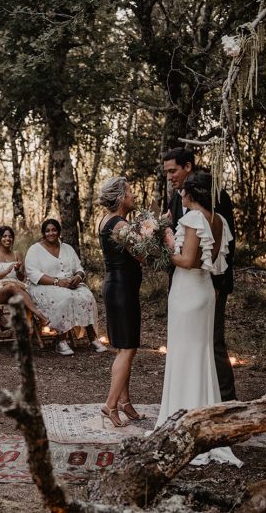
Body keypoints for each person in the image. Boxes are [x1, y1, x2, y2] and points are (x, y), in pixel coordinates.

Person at [157, 172, 241, 466]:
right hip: (206, 292)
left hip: (188, 293)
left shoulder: (193, 218)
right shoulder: (219, 220)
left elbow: (187, 261)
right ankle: (204, 414)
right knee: (201, 355)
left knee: (184, 354)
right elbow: (216, 265)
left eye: (183, 191)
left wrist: (167, 241)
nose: (179, 194)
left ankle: (183, 419)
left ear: (192, 193)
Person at [163, 147, 237, 401]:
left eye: (173, 170)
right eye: (167, 172)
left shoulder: (217, 198)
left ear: (188, 166)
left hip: (209, 282)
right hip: (186, 283)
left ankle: (225, 401)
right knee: (191, 346)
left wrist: (218, 281)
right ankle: (194, 397)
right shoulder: (175, 199)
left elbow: (227, 245)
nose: (170, 177)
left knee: (212, 344)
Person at [97, 178, 143, 427]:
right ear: (120, 197)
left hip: (114, 287)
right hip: (123, 290)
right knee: (127, 349)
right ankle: (111, 404)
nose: (133, 195)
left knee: (124, 347)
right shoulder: (121, 225)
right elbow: (143, 255)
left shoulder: (106, 221)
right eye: (130, 191)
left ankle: (125, 403)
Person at [24, 219, 100, 356]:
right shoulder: (35, 250)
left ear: (59, 231)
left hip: (70, 285)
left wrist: (78, 277)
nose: (51, 233)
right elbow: (32, 273)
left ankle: (93, 337)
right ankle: (61, 341)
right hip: (43, 286)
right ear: (43, 233)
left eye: (54, 230)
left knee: (88, 296)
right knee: (65, 298)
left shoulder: (68, 248)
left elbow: (79, 268)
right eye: (47, 230)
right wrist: (57, 281)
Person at [0, 225, 49, 326]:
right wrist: (7, 271)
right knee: (12, 286)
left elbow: (21, 278)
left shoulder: (17, 254)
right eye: (4, 236)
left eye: (10, 236)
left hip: (17, 287)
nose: (8, 239)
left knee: (34, 289)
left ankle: (34, 325)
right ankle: (40, 316)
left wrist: (17, 271)